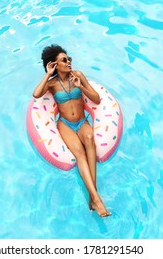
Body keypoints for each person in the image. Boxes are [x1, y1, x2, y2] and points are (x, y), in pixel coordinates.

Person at [32, 44, 112, 217]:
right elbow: (36, 94)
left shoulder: (78, 75)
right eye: (64, 60)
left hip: (82, 121)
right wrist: (47, 74)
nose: (68, 62)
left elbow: (96, 99)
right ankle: (97, 200)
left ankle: (93, 194)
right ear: (54, 64)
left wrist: (80, 86)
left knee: (90, 139)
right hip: (65, 124)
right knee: (80, 154)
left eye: (69, 59)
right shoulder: (52, 84)